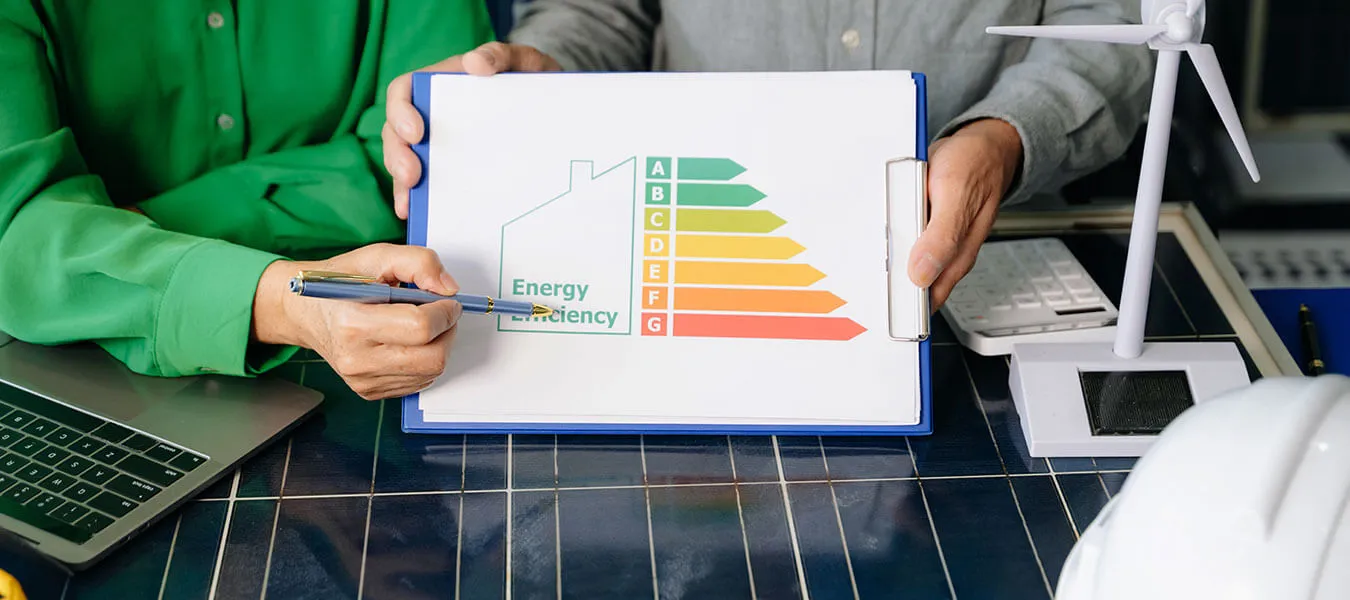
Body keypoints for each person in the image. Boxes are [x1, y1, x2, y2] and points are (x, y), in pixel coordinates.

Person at [381, 0, 1154, 308]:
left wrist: (1008, 136)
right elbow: (602, 11)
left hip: (984, 260)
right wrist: (541, 70)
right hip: (692, 263)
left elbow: (1113, 19)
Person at [0, 1, 495, 400]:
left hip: (382, 326)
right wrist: (281, 302)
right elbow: (18, 243)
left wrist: (127, 231)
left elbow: (419, 158)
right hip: (74, 365)